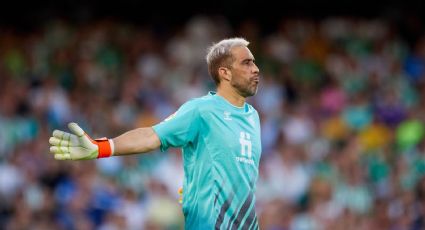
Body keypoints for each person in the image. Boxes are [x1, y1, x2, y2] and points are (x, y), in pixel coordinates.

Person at [49, 37, 262, 229]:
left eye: (253, 62)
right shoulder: (201, 110)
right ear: (224, 72)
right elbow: (152, 136)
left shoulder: (253, 116)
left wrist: (196, 189)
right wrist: (101, 147)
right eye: (246, 63)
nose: (255, 69)